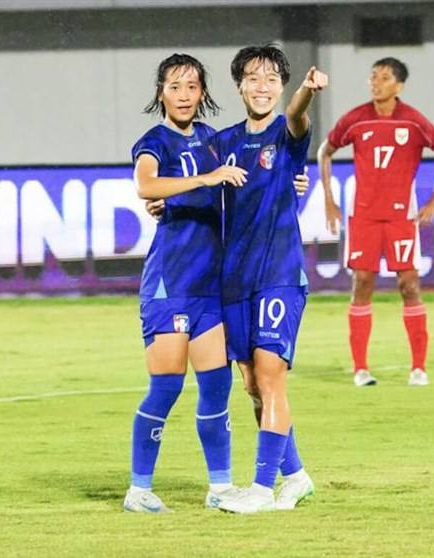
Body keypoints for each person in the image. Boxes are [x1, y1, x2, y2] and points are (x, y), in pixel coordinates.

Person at [124, 53, 248, 513]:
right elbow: (146, 185)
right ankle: (138, 489)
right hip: (169, 285)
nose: (183, 95)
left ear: (203, 93)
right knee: (167, 387)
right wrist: (204, 180)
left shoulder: (215, 141)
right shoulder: (154, 141)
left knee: (217, 386)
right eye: (174, 87)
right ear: (161, 93)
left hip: (209, 287)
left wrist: (292, 184)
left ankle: (220, 487)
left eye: (192, 87)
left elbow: (246, 180)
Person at [213, 44, 327, 514]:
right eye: (253, 78)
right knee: (253, 385)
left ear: (282, 87)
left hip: (278, 273)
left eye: (272, 79)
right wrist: (161, 203)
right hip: (234, 278)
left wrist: (307, 90)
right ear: (239, 86)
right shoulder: (222, 143)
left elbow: (298, 116)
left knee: (270, 375)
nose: (263, 87)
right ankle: (295, 476)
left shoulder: (287, 132)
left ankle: (261, 490)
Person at [316, 57, 434, 388]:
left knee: (409, 285)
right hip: (364, 216)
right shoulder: (356, 119)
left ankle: (418, 368)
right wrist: (329, 199)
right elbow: (325, 150)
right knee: (362, 282)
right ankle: (361, 369)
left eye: (384, 77)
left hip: (401, 216)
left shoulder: (413, 121)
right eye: (373, 76)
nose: (376, 82)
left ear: (399, 85)